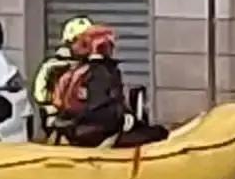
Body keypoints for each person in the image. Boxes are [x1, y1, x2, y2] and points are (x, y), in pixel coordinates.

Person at [35, 19, 168, 148]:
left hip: (74, 129)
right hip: (93, 133)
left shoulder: (79, 69)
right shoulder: (100, 72)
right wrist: (125, 119)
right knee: (157, 134)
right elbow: (101, 109)